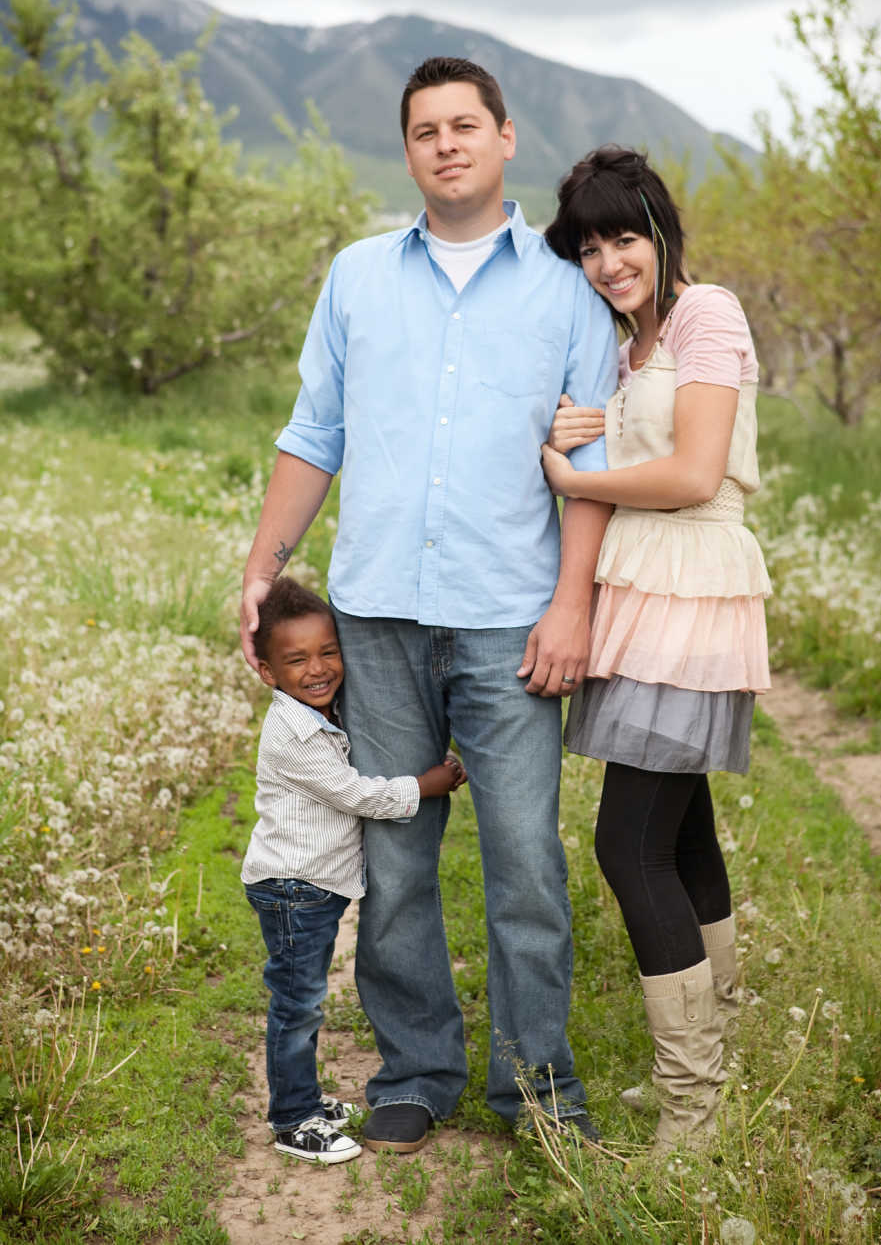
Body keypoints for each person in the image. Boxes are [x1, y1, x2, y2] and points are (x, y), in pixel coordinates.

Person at [241, 57, 619, 1152]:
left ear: (506, 140)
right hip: (377, 615)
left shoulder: (565, 292)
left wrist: (570, 605)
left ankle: (537, 1093)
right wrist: (265, 566)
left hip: (510, 617)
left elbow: (583, 463)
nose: (445, 143)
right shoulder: (359, 276)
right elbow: (315, 435)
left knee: (526, 865)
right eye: (424, 130)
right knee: (396, 859)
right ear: (408, 152)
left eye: (466, 125)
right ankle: (415, 1071)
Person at [540, 146, 771, 1148]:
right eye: (588, 247)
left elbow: (695, 471)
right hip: (646, 595)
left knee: (627, 846)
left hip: (693, 591)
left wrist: (573, 476)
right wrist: (577, 436)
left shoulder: (705, 314)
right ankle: (713, 1057)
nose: (608, 261)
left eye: (623, 237)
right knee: (680, 838)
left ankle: (695, 1105)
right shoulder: (623, 347)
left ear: (660, 232)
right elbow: (634, 454)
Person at [241, 576, 466, 1164]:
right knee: (298, 1003)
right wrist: (426, 785)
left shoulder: (322, 712)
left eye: (329, 652)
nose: (318, 669)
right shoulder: (292, 734)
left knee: (303, 998)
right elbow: (357, 793)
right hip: (293, 888)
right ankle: (293, 1117)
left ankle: (306, 1097)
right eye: (296, 660)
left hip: (311, 884)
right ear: (268, 673)